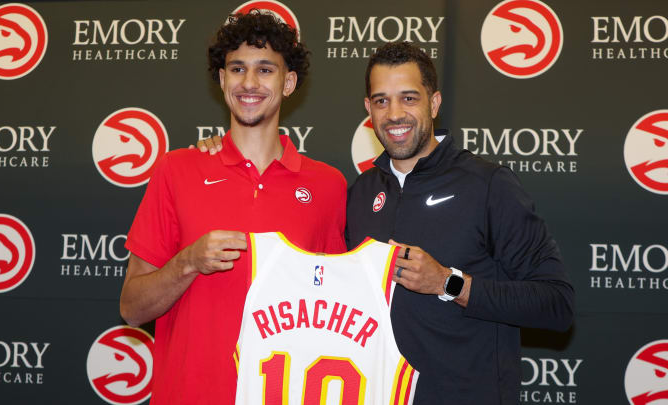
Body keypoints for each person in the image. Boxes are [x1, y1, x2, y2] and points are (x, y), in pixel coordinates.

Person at [119, 12, 346, 405]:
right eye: (237, 69)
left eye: (265, 70)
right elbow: (132, 309)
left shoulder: (327, 185)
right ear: (223, 80)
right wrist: (187, 262)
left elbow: (337, 313)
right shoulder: (177, 169)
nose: (249, 83)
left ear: (288, 82)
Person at [345, 41, 574, 404]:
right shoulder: (361, 193)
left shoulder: (487, 184)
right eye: (381, 100)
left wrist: (448, 282)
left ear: (433, 103)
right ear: (368, 109)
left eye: (408, 98)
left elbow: (556, 304)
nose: (394, 114)